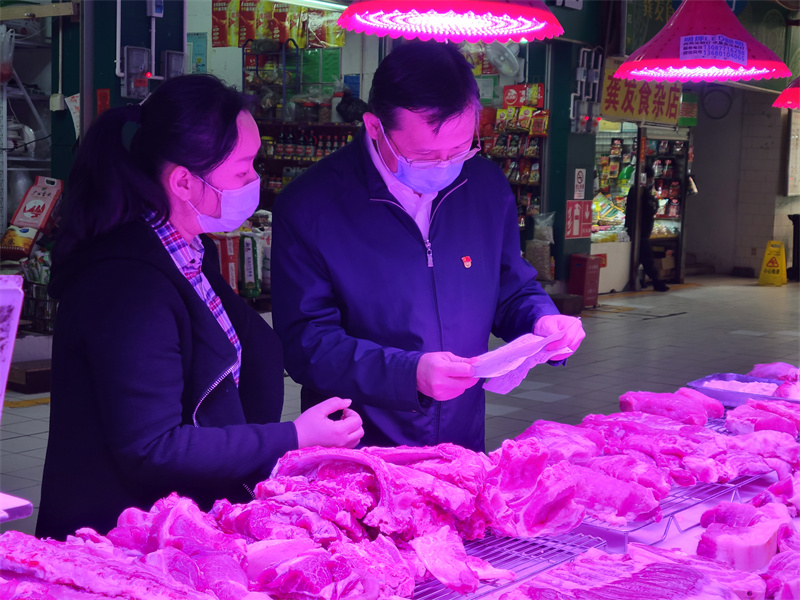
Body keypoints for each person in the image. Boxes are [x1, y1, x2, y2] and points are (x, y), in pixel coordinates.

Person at [36, 74, 363, 540]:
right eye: (242, 169)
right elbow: (152, 445)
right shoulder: (126, 285)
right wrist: (293, 437)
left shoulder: (188, 253)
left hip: (181, 521)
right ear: (185, 182)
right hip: (120, 538)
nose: (255, 180)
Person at [271, 41, 585, 453]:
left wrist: (542, 320)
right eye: (423, 155)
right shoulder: (312, 205)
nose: (444, 167)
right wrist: (408, 374)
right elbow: (306, 343)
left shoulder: (485, 187)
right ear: (374, 127)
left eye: (458, 150)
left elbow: (509, 286)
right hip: (359, 451)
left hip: (460, 442)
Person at [626, 165, 669, 292]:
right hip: (641, 232)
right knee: (647, 257)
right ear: (648, 178)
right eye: (650, 178)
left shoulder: (635, 190)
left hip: (637, 230)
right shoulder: (642, 192)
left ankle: (642, 281)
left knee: (641, 258)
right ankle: (656, 282)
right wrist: (654, 202)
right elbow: (651, 208)